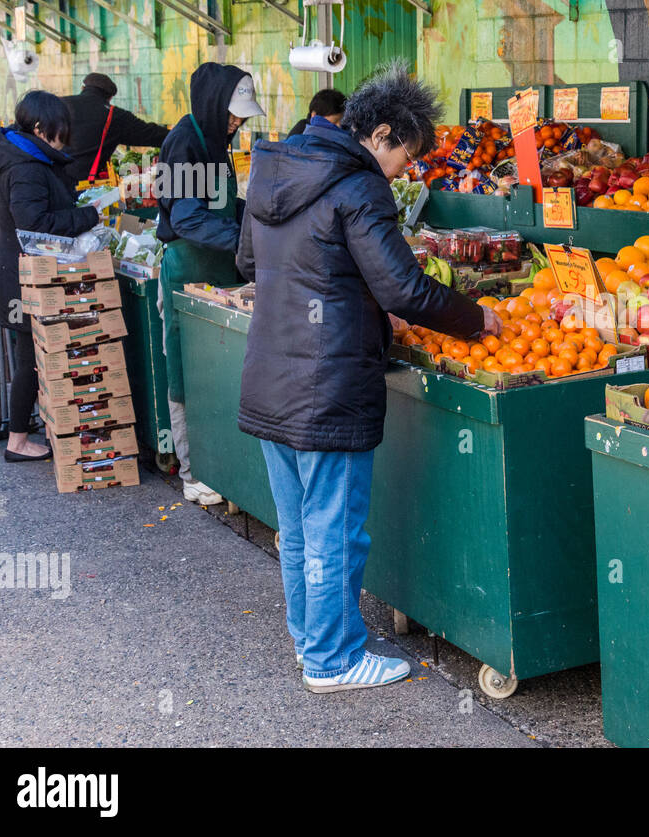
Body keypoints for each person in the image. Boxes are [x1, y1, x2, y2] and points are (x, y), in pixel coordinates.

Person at [237, 62, 499, 692]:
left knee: (300, 527)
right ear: (380, 134)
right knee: (335, 529)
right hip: (327, 386)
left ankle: (312, 643)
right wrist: (476, 318)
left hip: (272, 375)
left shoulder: (275, 168)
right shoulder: (358, 187)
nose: (407, 171)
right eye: (406, 155)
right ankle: (334, 660)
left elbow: (247, 260)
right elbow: (402, 287)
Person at [156, 63, 263, 505]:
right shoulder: (184, 143)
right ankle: (193, 468)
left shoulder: (215, 141)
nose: (237, 123)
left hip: (221, 272)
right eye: (233, 115)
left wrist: (258, 217)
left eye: (242, 117)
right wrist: (245, 240)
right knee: (188, 373)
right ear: (213, 104)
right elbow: (187, 217)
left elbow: (219, 203)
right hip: (189, 271)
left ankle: (224, 466)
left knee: (221, 375)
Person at [0, 91, 99, 461]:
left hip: (24, 272)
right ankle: (17, 441)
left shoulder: (29, 158)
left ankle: (28, 432)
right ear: (39, 128)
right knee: (30, 359)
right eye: (58, 131)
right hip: (22, 278)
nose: (62, 139)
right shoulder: (26, 167)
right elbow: (32, 224)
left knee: (33, 356)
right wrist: (87, 216)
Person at [60, 72, 169, 191]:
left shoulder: (59, 104)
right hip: (79, 187)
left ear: (83, 88)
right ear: (110, 97)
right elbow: (151, 134)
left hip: (47, 178)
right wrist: (182, 133)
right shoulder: (114, 116)